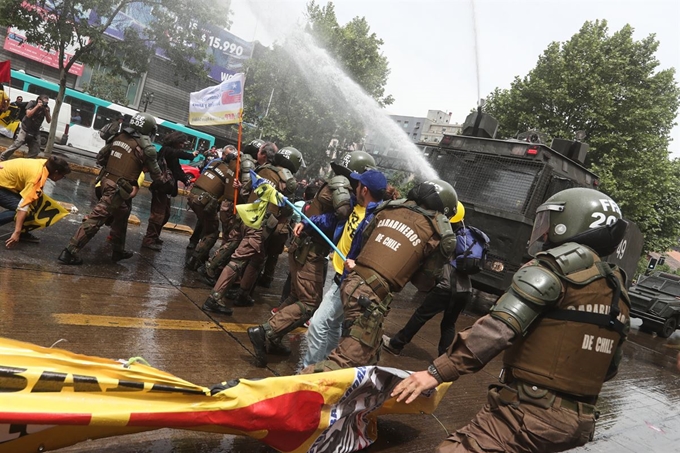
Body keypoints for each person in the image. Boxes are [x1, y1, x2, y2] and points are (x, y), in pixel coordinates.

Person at [392, 187, 631, 453]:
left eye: (550, 222)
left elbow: (497, 330)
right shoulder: (617, 291)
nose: (544, 231)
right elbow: (609, 367)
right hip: (577, 421)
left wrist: (436, 372)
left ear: (570, 223)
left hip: (527, 413)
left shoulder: (552, 270)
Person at [302, 179, 459, 373]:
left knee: (371, 352)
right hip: (369, 296)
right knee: (346, 360)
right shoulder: (438, 232)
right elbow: (424, 283)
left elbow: (363, 241)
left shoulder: (387, 209)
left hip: (351, 281)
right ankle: (298, 387)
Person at [247, 156, 376, 367]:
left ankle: (274, 335)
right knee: (309, 303)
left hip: (304, 247)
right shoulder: (342, 186)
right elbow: (341, 213)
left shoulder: (334, 184)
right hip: (311, 251)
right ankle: (265, 331)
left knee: (297, 296)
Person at [300, 152, 384, 369]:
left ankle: (308, 372)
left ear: (364, 189)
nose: (352, 186)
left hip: (348, 280)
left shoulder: (377, 218)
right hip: (340, 275)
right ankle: (326, 369)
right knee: (333, 325)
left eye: (357, 183)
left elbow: (378, 250)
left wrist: (359, 265)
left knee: (318, 325)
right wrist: (308, 223)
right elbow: (331, 219)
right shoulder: (354, 205)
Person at [201, 143, 302, 315]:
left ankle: (243, 293)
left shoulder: (262, 169)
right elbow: (286, 209)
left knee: (257, 258)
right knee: (238, 261)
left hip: (244, 218)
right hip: (257, 225)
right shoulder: (288, 180)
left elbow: (245, 191)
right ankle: (214, 298)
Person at [58, 113, 168, 265]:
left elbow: (101, 158)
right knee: (97, 218)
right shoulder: (145, 147)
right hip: (117, 188)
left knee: (122, 213)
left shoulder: (119, 137)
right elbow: (157, 176)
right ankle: (69, 252)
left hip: (105, 181)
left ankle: (118, 250)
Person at [382, 202, 472, 357]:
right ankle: (444, 359)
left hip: (445, 288)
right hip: (465, 290)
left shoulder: (445, 235)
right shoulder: (466, 237)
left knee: (420, 316)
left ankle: (396, 344)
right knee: (448, 324)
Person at [185, 143, 255, 269]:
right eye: (223, 153)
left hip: (193, 195)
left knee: (205, 225)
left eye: (226, 154)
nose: (223, 156)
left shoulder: (214, 163)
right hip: (204, 200)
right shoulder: (231, 170)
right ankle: (195, 260)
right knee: (212, 232)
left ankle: (200, 251)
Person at [141, 131, 196, 251]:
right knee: (158, 215)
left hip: (167, 188)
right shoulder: (167, 150)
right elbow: (181, 154)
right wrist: (193, 155)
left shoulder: (172, 154)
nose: (182, 145)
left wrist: (185, 179)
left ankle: (155, 236)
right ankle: (149, 239)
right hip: (161, 187)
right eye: (181, 143)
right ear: (175, 141)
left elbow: (177, 169)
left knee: (165, 214)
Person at [0, 156, 71, 247]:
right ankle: (20, 232)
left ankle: (23, 232)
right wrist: (16, 232)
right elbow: (23, 206)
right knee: (26, 209)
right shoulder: (38, 176)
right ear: (56, 172)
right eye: (63, 176)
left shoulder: (45, 163)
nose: (62, 178)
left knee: (36, 203)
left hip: (4, 182)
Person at [0, 94, 51, 161]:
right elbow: (28, 114)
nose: (45, 103)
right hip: (25, 128)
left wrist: (47, 112)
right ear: (39, 100)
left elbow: (49, 121)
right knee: (17, 144)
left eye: (46, 102)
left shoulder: (46, 108)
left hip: (35, 131)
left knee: (35, 149)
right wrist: (37, 106)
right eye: (44, 102)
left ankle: (28, 161)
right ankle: (3, 157)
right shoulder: (32, 103)